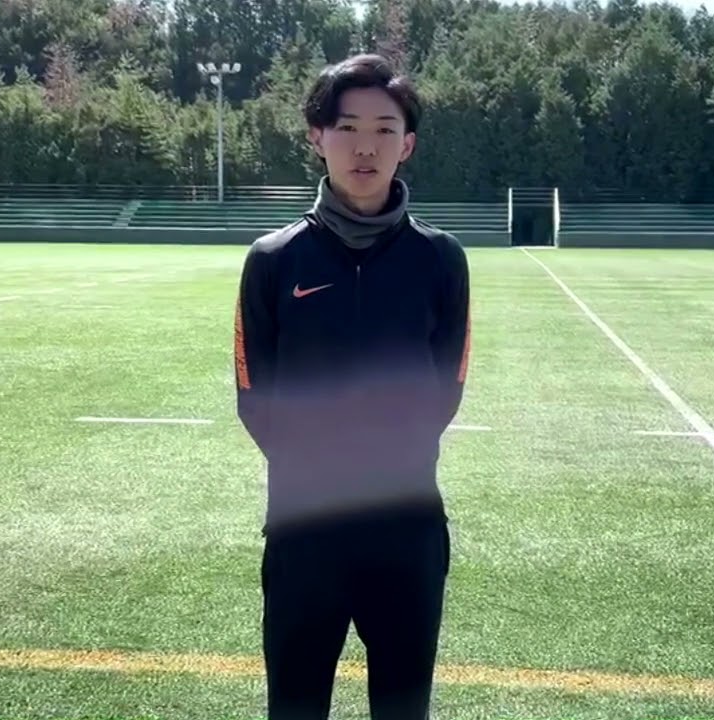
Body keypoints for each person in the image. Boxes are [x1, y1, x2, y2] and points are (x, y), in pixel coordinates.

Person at [232, 53, 471, 720]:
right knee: (295, 708)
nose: (366, 147)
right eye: (348, 128)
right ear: (317, 137)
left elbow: (447, 385)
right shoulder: (274, 260)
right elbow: (254, 394)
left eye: (385, 130)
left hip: (408, 530)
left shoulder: (440, 260)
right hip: (304, 529)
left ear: (407, 144)